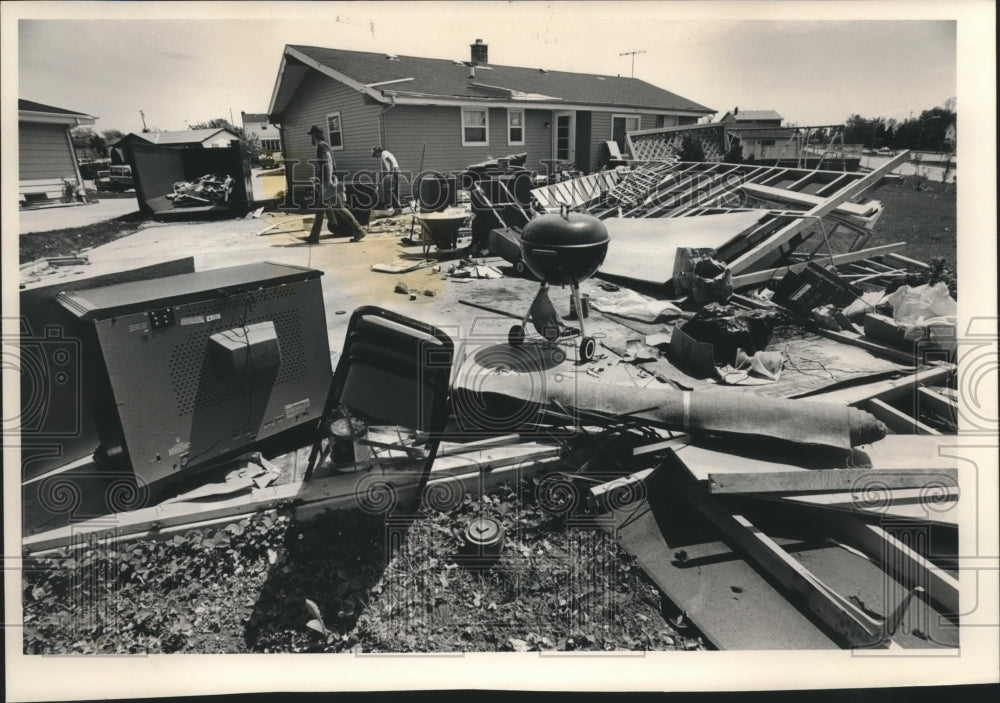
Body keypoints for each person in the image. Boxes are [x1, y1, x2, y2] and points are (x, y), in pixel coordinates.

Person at [305, 125, 365, 243]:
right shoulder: (325, 146)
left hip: (329, 184)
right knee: (337, 208)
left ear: (314, 135)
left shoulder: (321, 146)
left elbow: (328, 164)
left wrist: (328, 183)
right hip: (330, 182)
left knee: (322, 210)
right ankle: (359, 231)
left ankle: (314, 237)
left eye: (311, 136)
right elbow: (329, 165)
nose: (310, 139)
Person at [372, 146, 402, 215]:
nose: (376, 157)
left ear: (377, 152)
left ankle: (397, 208)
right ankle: (397, 208)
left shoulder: (384, 153)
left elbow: (391, 162)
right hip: (397, 170)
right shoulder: (386, 152)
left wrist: (391, 173)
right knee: (394, 190)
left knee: (389, 191)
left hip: (394, 171)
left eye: (375, 155)